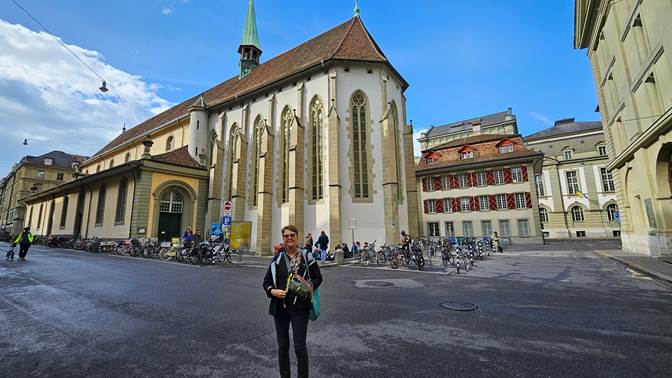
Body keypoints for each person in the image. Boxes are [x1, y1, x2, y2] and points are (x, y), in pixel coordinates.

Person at [263, 224, 323, 378]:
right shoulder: (277, 259)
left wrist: (307, 287)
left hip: (300, 308)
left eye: (292, 235)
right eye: (286, 236)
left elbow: (318, 277)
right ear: (283, 239)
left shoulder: (306, 257)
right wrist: (272, 291)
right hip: (280, 308)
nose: (289, 238)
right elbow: (266, 282)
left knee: (299, 347)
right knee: (282, 347)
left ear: (297, 237)